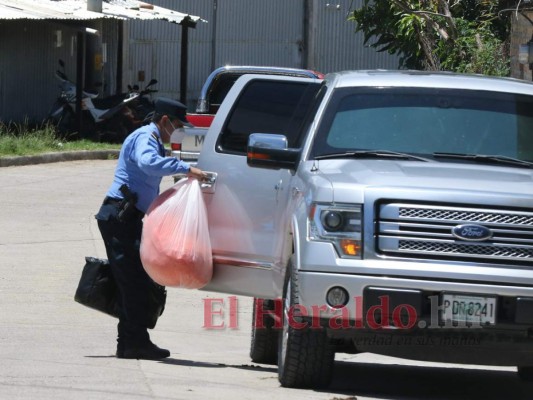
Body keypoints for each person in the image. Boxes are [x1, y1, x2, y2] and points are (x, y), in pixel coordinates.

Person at [95, 97, 208, 360]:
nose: (176, 132)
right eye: (177, 126)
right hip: (119, 216)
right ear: (165, 120)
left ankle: (130, 343)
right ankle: (135, 343)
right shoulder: (146, 136)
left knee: (133, 281)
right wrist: (186, 168)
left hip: (126, 217)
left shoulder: (153, 138)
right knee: (134, 282)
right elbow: (149, 163)